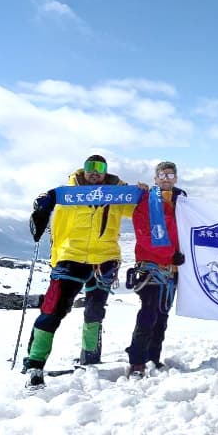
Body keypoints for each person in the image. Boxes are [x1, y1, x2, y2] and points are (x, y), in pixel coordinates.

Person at [24, 155, 134, 387]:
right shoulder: (66, 192)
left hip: (104, 259)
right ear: (82, 170)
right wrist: (41, 207)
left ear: (106, 171)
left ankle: (90, 357)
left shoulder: (118, 193)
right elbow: (44, 203)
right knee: (53, 309)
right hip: (69, 257)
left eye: (100, 167)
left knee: (95, 310)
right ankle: (35, 363)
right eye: (90, 167)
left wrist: (144, 193)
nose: (94, 172)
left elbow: (137, 210)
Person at [125, 161, 186, 378]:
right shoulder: (146, 201)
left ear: (176, 178)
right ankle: (137, 362)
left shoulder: (183, 203)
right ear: (155, 178)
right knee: (148, 314)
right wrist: (171, 254)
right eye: (162, 175)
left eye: (171, 175)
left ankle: (153, 357)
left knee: (161, 315)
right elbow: (144, 235)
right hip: (151, 267)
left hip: (172, 270)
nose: (166, 179)